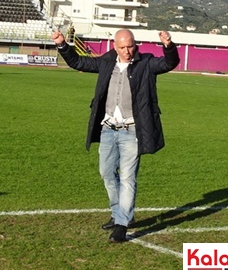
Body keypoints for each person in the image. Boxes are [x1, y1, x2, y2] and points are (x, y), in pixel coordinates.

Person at [51, 28, 179, 243]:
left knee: (128, 178)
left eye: (130, 46)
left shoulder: (146, 63)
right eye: (122, 47)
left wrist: (169, 46)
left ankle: (122, 223)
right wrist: (62, 44)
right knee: (107, 173)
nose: (127, 51)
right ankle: (117, 212)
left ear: (135, 44)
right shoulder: (106, 62)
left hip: (132, 131)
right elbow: (78, 63)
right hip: (108, 129)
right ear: (114, 46)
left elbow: (168, 63)